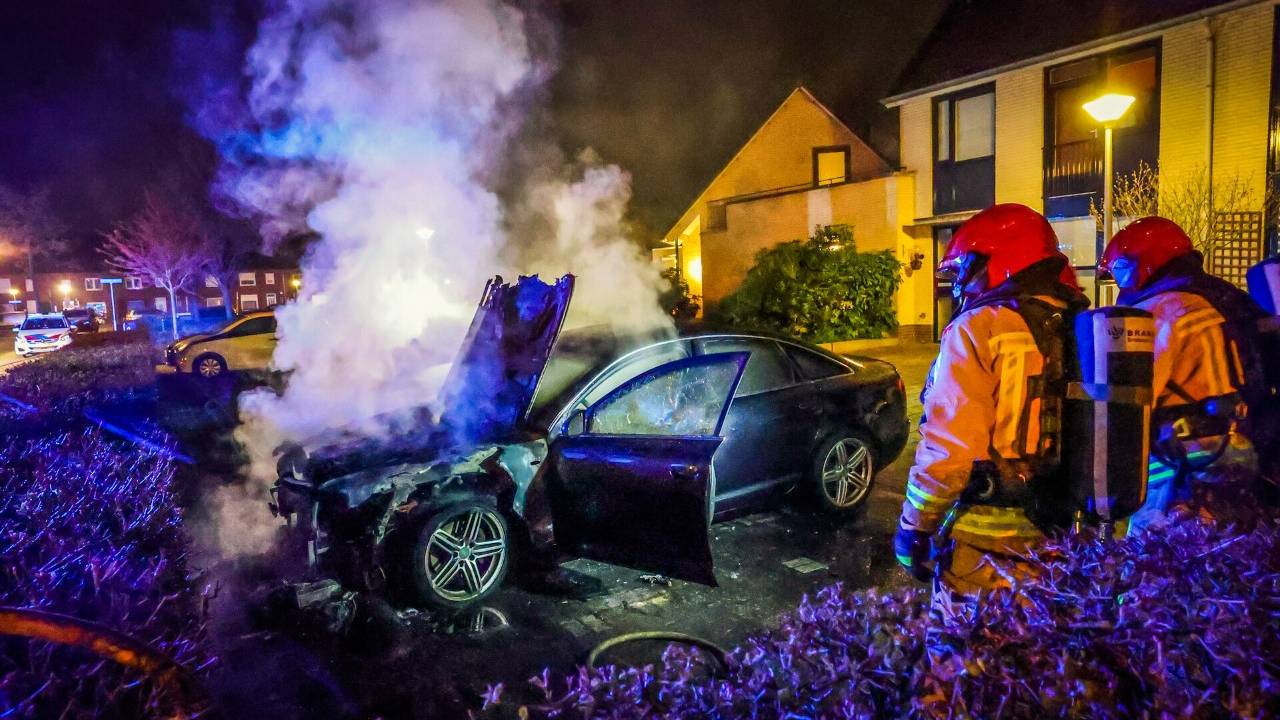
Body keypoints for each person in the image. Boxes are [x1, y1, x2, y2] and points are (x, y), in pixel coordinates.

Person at [895, 203, 1089, 596]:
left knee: (965, 653)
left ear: (997, 260)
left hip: (985, 548)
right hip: (1061, 533)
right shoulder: (1079, 324)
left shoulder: (979, 327)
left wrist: (914, 528)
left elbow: (951, 449)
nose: (962, 281)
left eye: (967, 266)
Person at [1098, 216, 1265, 533]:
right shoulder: (1219, 298)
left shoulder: (1163, 309)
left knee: (1152, 564)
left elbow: (1134, 396)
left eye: (1119, 271)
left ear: (1140, 265)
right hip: (1237, 446)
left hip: (1182, 461)